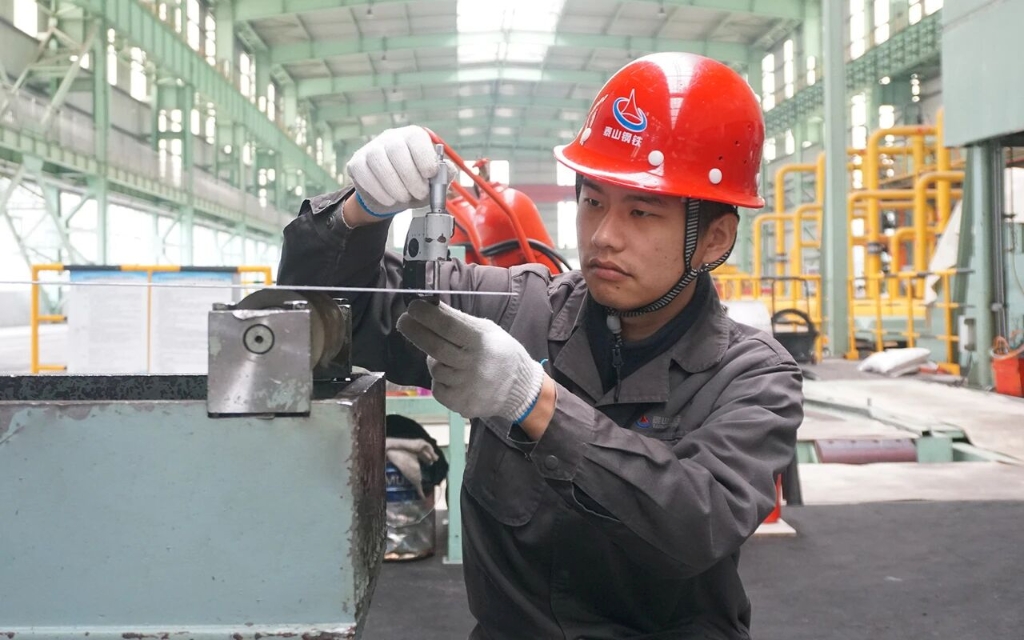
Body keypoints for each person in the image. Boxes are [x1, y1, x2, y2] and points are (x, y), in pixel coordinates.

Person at [278, 52, 803, 640]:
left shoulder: (754, 377)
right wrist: (358, 214)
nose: (604, 236)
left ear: (715, 239)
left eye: (642, 212)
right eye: (593, 202)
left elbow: (695, 525)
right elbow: (334, 312)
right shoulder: (517, 309)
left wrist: (535, 402)